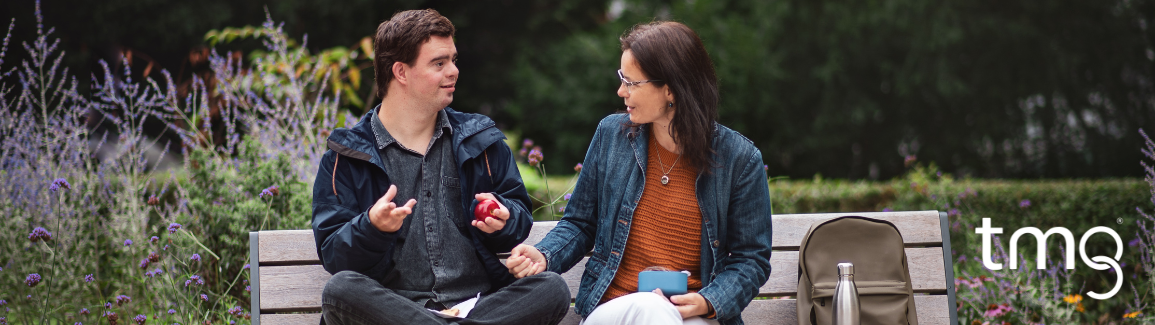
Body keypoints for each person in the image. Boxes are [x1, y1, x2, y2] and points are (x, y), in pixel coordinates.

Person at [311, 9, 570, 325]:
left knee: (552, 288)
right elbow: (335, 255)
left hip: (479, 307)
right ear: (401, 72)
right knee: (340, 291)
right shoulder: (345, 157)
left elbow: (516, 220)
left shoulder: (482, 141)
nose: (454, 71)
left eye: (453, 60)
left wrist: (504, 220)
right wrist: (371, 227)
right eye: (439, 63)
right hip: (397, 311)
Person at [505, 21, 773, 325]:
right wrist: (545, 255)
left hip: (692, 317)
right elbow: (580, 223)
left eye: (632, 83)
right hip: (615, 311)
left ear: (670, 89)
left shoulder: (739, 160)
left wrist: (705, 301)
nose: (621, 91)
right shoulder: (611, 136)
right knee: (651, 308)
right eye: (623, 79)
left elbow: (750, 260)